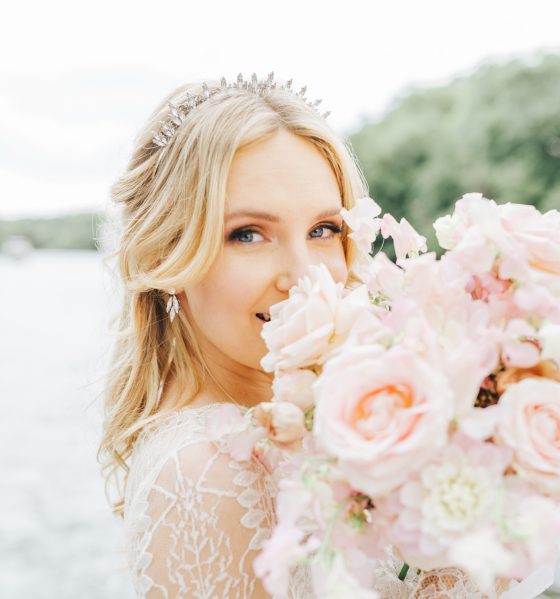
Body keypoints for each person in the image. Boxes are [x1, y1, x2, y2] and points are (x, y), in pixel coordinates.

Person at [97, 72, 517, 598]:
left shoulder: (326, 429)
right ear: (166, 258)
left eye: (323, 230)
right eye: (247, 234)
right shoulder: (209, 471)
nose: (303, 276)